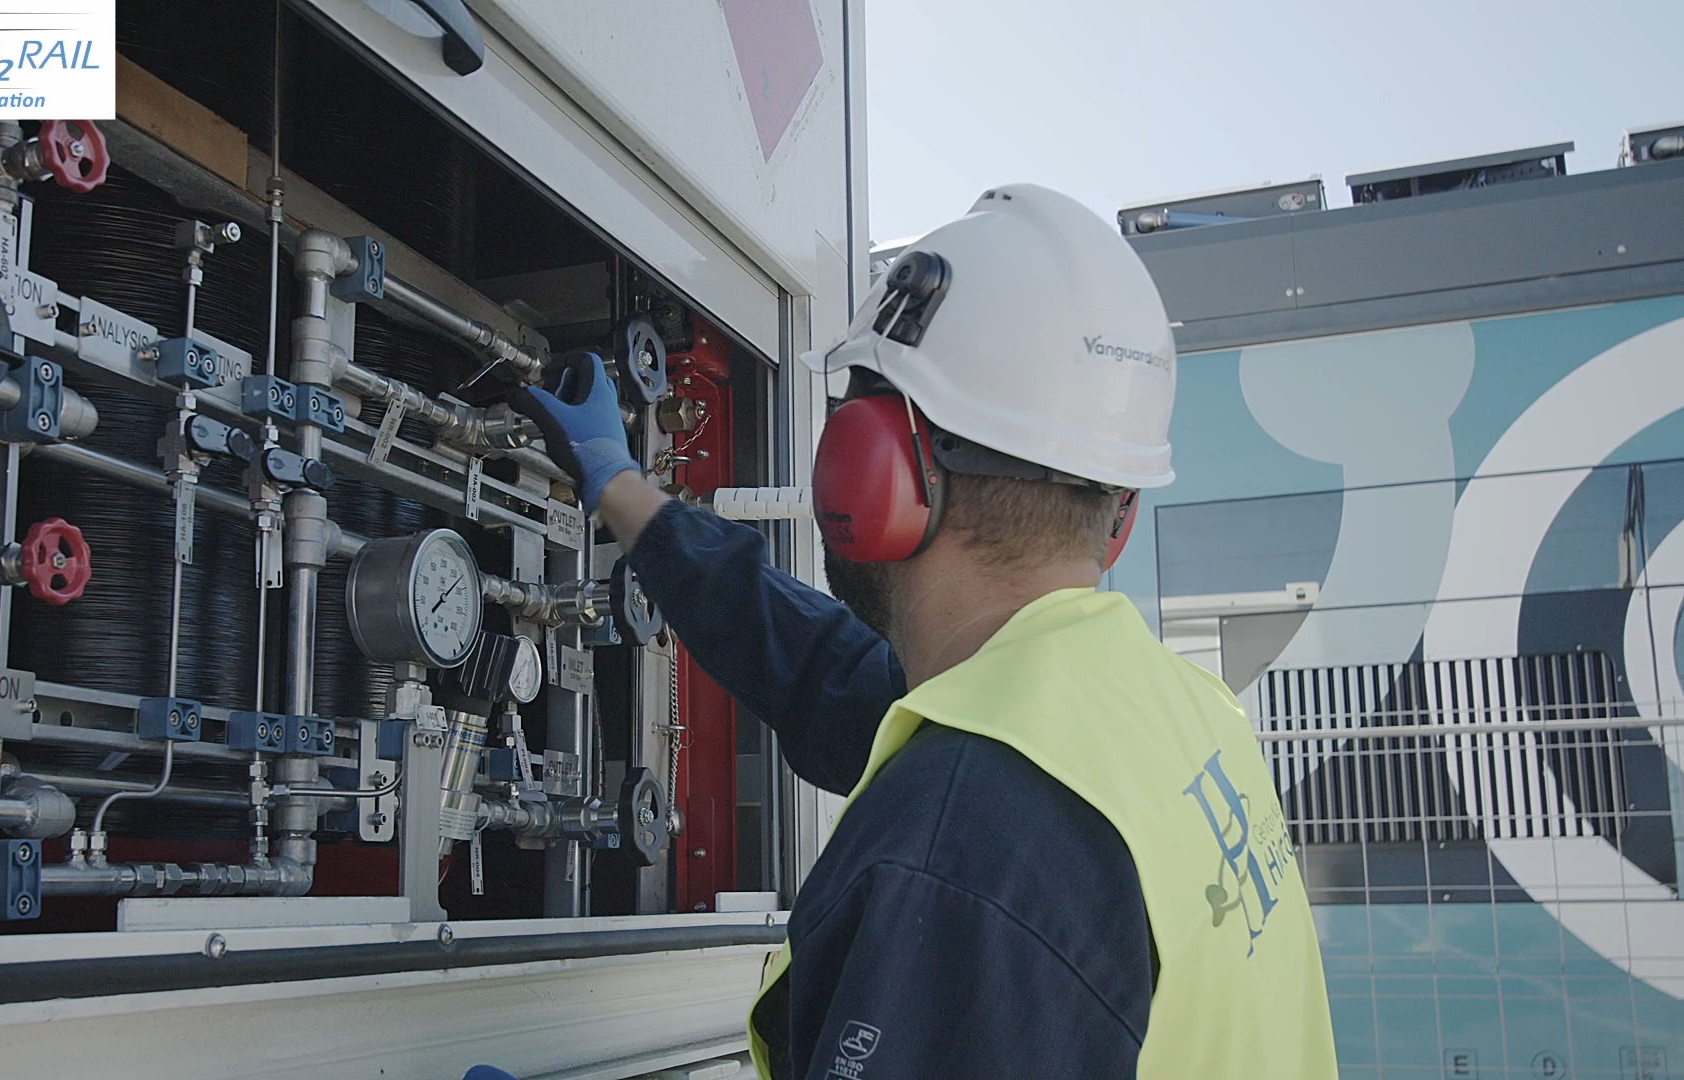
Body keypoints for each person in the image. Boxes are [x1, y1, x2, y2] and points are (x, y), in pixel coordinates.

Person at [512, 184, 1337, 1080]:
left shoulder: (957, 850)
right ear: (1120, 517)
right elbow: (818, 665)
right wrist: (617, 481)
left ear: (867, 469)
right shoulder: (1170, 718)